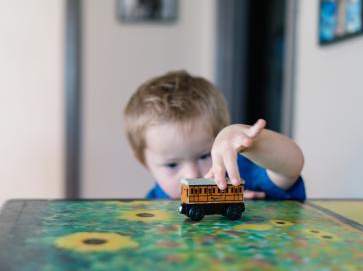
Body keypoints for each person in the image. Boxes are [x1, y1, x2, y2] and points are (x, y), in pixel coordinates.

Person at [123, 70, 305, 201]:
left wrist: (249, 142)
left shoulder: (242, 175)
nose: (192, 174)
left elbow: (291, 167)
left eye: (204, 156)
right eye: (172, 164)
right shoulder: (150, 206)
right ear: (144, 162)